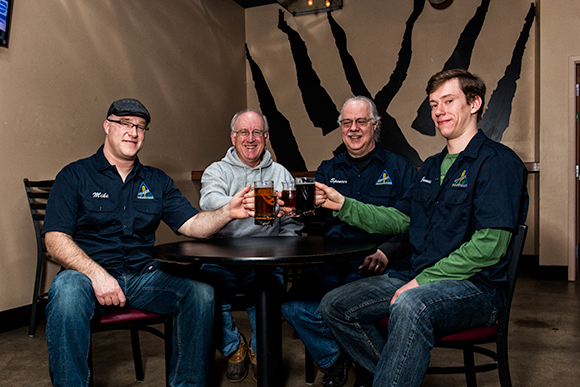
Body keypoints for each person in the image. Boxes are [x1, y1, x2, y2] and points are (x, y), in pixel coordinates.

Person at [317, 69, 529, 387]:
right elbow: (401, 219)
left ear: (474, 103)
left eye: (448, 100)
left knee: (410, 303)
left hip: (476, 289)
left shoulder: (497, 162)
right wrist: (343, 205)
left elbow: (491, 245)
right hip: (419, 277)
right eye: (433, 104)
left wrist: (422, 282)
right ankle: (392, 376)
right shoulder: (430, 166)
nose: (438, 111)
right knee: (334, 305)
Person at [43, 98, 253, 387]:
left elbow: (192, 225)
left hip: (145, 277)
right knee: (65, 291)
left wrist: (227, 212)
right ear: (107, 126)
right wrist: (97, 275)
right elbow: (55, 239)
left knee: (201, 292)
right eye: (125, 123)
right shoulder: (75, 175)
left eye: (141, 126)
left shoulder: (157, 181)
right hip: (88, 277)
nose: (133, 131)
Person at [281, 96, 417, 387]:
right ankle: (335, 359)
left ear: (375, 125)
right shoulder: (328, 170)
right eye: (347, 122)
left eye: (361, 122)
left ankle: (381, 374)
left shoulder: (401, 169)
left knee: (345, 309)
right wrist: (290, 210)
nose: (353, 129)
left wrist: (385, 252)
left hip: (382, 268)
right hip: (334, 267)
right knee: (292, 306)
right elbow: (310, 217)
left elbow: (411, 225)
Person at [199, 109, 302, 382]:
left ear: (266, 137)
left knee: (267, 297)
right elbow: (208, 201)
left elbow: (292, 223)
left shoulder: (281, 174)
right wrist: (236, 204)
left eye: (257, 132)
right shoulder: (217, 170)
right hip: (223, 255)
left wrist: (287, 246)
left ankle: (259, 350)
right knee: (205, 295)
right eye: (243, 132)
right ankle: (235, 348)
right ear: (233, 137)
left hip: (267, 256)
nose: (250, 138)